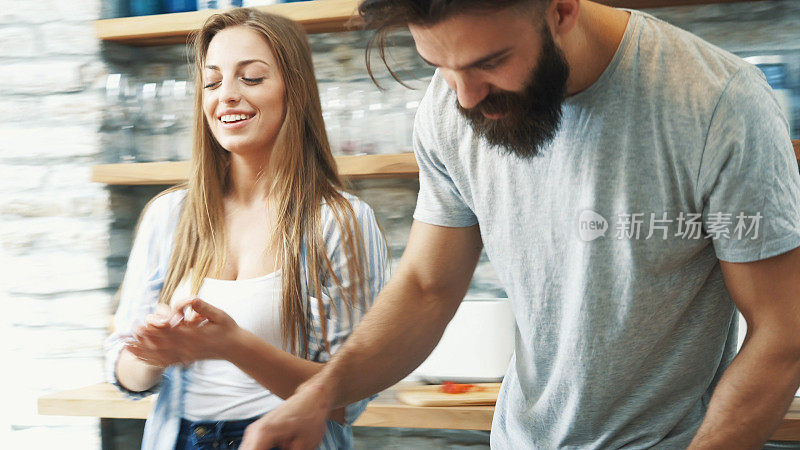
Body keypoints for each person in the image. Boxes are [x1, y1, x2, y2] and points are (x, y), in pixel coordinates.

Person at [240, 1, 800, 449]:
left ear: (561, 9)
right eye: (439, 66)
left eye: (489, 63)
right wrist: (323, 392)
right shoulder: (449, 107)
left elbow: (783, 331)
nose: (464, 97)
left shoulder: (717, 103)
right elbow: (427, 288)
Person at [103, 8, 388, 450]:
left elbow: (347, 400)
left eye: (251, 78)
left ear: (294, 89)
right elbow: (125, 372)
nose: (227, 95)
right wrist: (153, 354)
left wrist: (232, 344)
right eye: (213, 82)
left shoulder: (338, 219)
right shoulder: (168, 215)